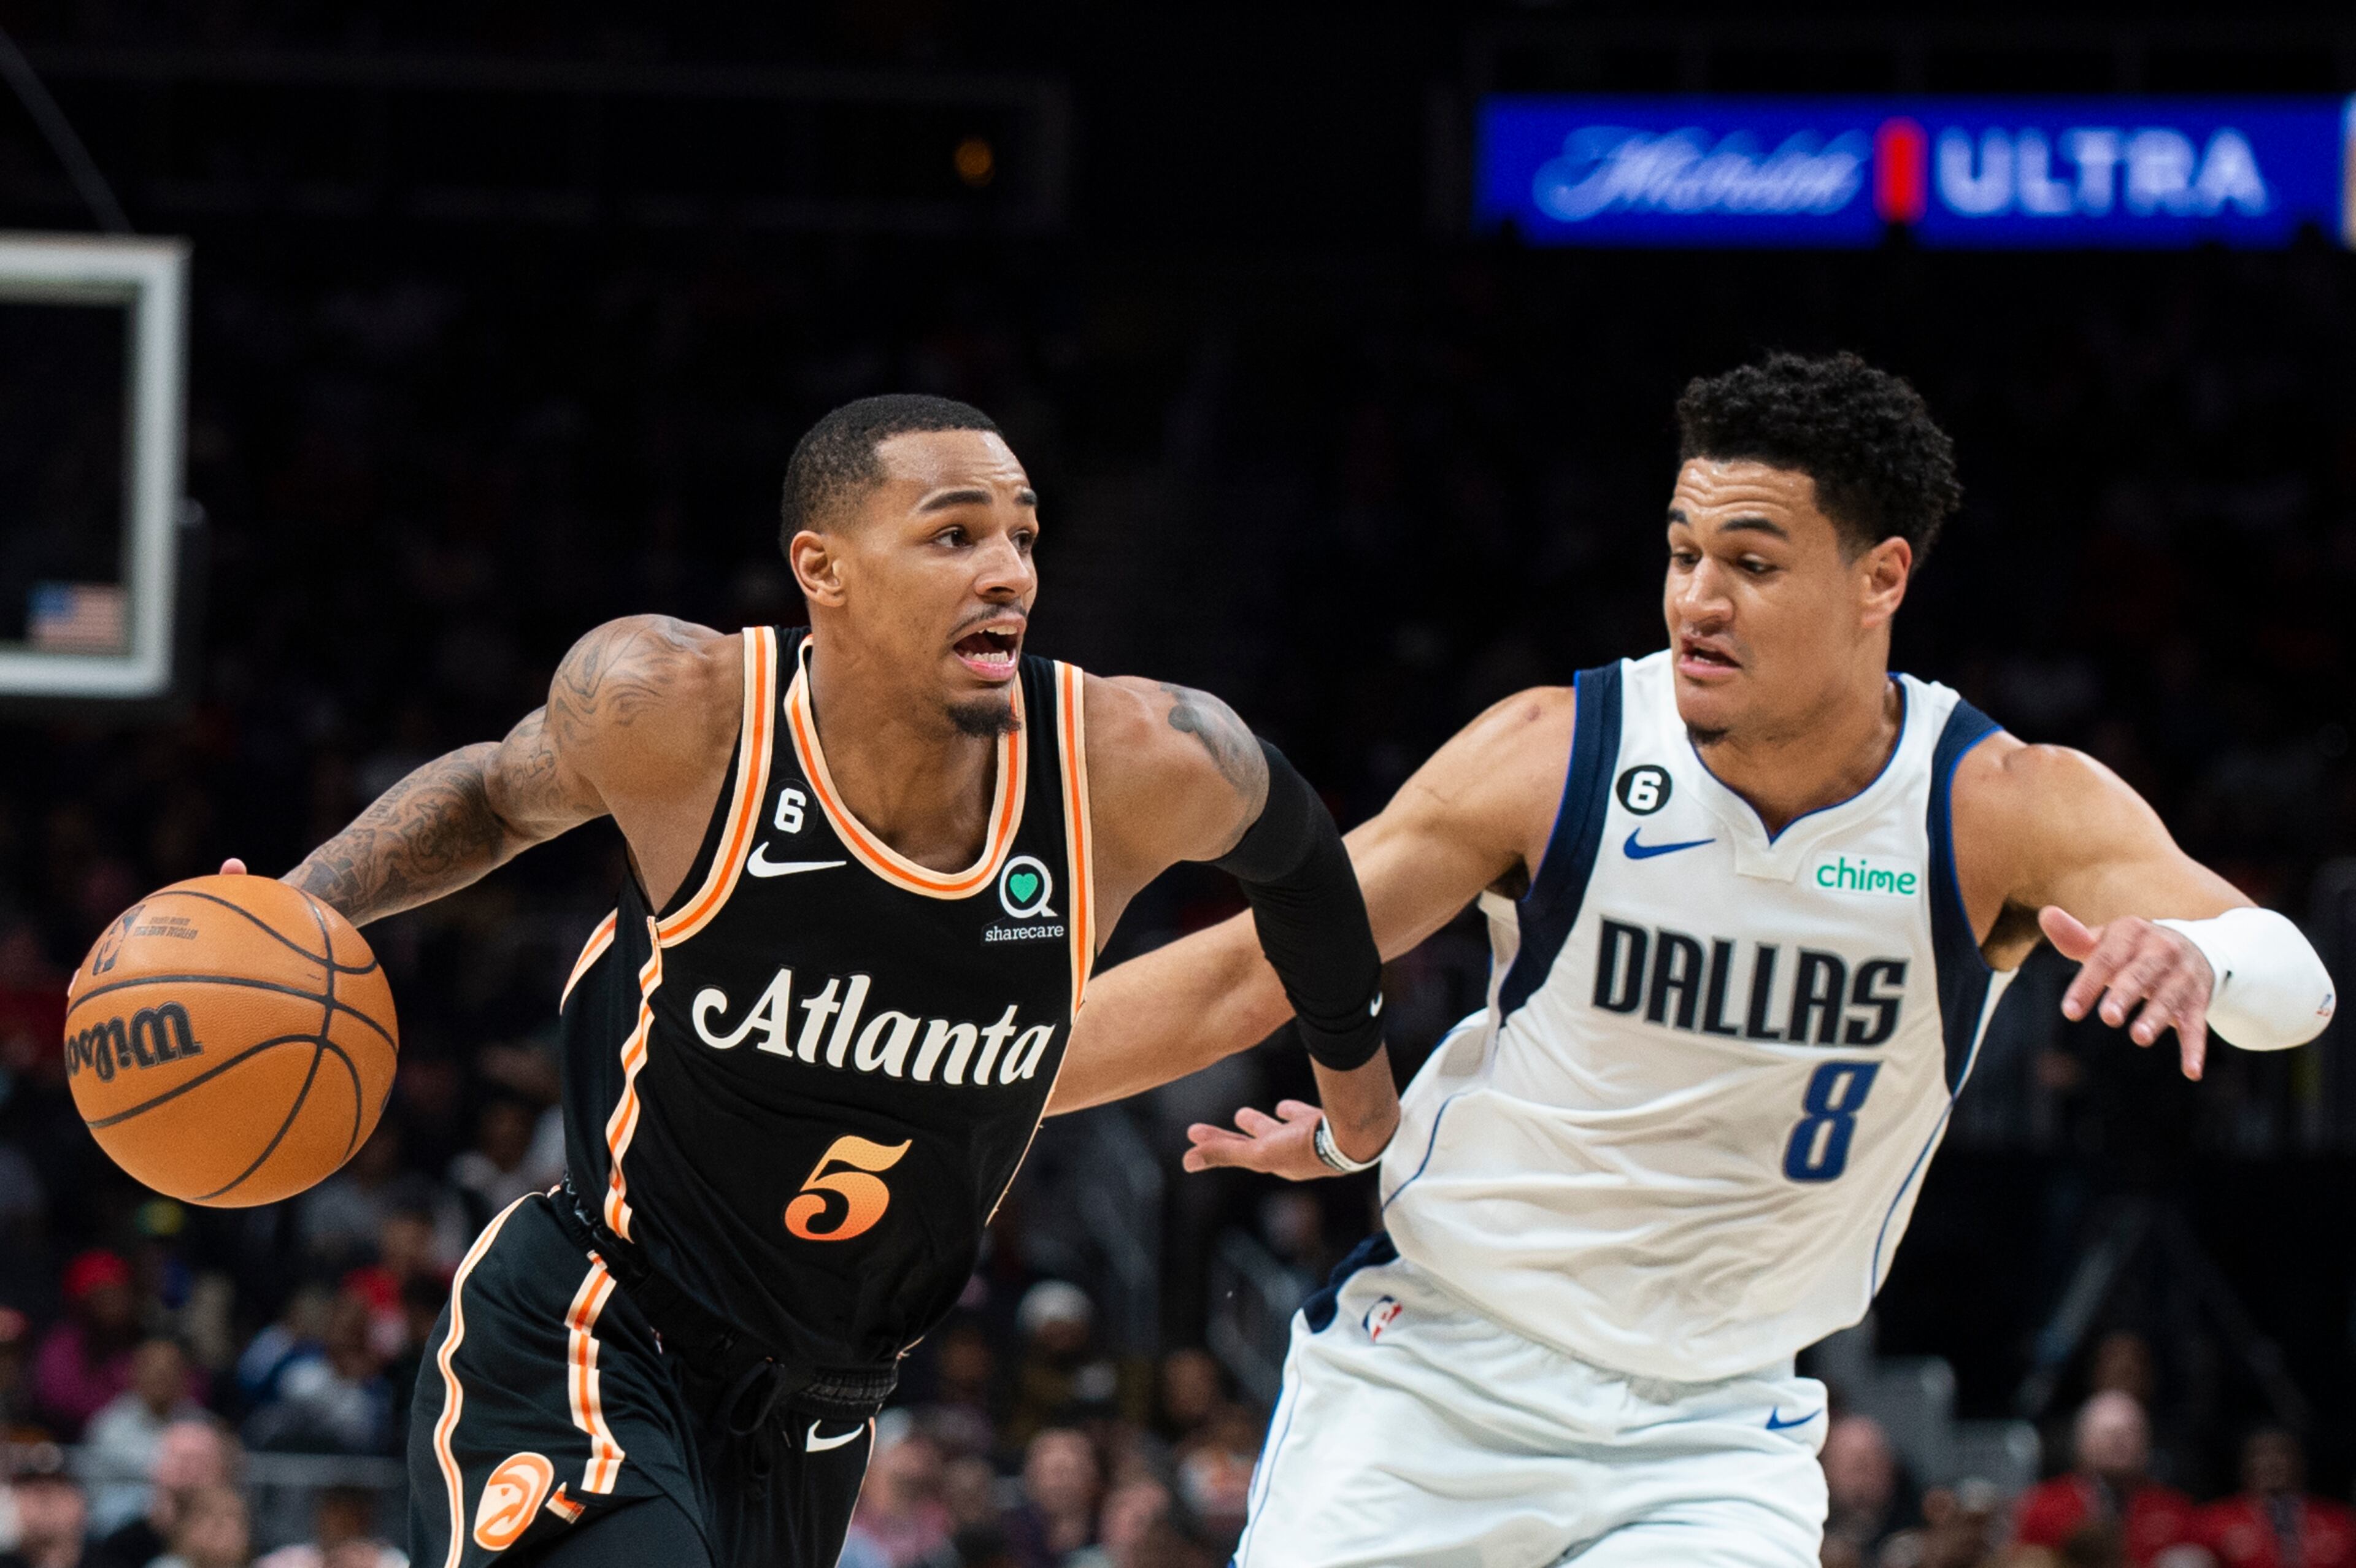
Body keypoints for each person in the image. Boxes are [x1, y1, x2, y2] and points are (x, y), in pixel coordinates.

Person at [1056, 352, 2338, 1567]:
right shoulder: (1556, 757)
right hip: (1438, 1376)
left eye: (1753, 563)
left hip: (1714, 1427)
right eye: (1682, 553)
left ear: (1880, 578)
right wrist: (945, 1076)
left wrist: (2203, 963)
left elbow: (2297, 982)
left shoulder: (1995, 807)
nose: (1697, 601)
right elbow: (1246, 971)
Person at [226, 394, 1396, 1567]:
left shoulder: (1135, 762)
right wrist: (298, 903)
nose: (1008, 573)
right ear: (821, 570)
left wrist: (1360, 1116)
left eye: (1024, 537)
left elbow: (1302, 856)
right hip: (594, 1334)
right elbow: (493, 792)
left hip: (821, 1420)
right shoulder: (681, 713)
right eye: (955, 535)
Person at [2012, 1392, 2198, 1564]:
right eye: (2107, 1433)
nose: (2118, 1441)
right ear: (2081, 1443)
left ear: (2147, 1444)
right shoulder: (2041, 1508)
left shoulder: (2174, 1510)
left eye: (2129, 1433)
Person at [82, 1340, 202, 1535]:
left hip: (186, 1532)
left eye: (169, 1370)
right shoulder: (108, 1427)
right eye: (154, 1369)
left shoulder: (200, 1427)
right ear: (135, 1373)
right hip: (120, 1534)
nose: (161, 1377)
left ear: (183, 1377)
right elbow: (95, 1497)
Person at [2195, 1428, 2356, 1568]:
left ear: (2300, 1462)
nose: (2270, 1463)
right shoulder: (2214, 1520)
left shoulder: (2340, 1521)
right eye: (2259, 1455)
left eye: (2281, 1453)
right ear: (2244, 1466)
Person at [88, 1419, 237, 1568]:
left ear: (223, 1472)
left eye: (200, 1461)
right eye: (181, 1460)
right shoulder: (121, 1545)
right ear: (154, 1468)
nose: (190, 1471)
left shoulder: (245, 1543)